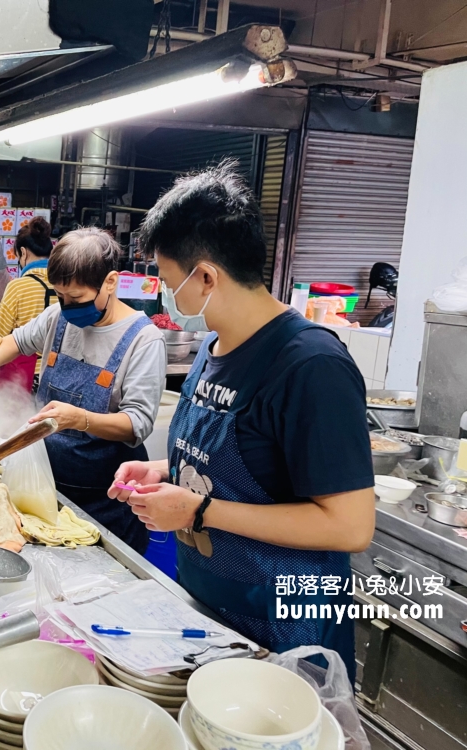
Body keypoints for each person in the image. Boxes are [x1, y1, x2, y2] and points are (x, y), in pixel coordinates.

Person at [108, 163, 374, 682]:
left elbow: (349, 525)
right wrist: (164, 471)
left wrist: (199, 510)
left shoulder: (310, 366)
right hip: (212, 612)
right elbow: (245, 463)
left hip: (283, 632)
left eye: (166, 280)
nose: (166, 297)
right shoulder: (214, 347)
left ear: (206, 276)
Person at [0, 227, 166, 553]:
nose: (68, 306)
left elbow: (137, 424)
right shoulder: (57, 317)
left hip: (107, 500)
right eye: (61, 296)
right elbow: (16, 340)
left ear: (110, 282)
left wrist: (80, 418)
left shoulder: (143, 340)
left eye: (78, 298)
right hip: (47, 488)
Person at [0, 219, 57, 391]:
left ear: (23, 253)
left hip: (22, 376)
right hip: (57, 374)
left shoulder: (18, 286)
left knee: (17, 417)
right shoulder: (65, 285)